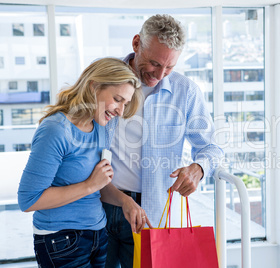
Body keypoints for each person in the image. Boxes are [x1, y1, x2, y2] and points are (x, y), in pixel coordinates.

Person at [102, 14, 224, 268]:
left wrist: (199, 168)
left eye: (169, 67)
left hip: (150, 213)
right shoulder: (104, 77)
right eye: (154, 63)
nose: (160, 74)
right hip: (98, 203)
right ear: (136, 43)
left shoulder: (186, 92)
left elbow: (213, 147)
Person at [17, 57, 142, 268]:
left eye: (126, 104)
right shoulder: (55, 130)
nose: (121, 111)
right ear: (94, 86)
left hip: (98, 235)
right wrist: (90, 185)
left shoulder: (100, 127)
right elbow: (29, 200)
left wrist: (125, 201)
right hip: (61, 241)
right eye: (118, 99)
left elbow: (98, 184)